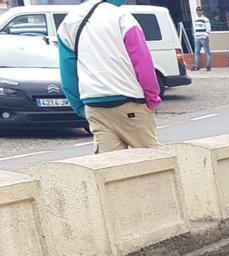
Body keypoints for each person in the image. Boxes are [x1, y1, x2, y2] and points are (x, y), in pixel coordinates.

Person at [57, 0, 161, 153]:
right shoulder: (121, 16)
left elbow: (68, 71)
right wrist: (152, 97)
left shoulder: (68, 23)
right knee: (154, 159)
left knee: (111, 168)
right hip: (130, 99)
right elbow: (142, 62)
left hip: (94, 106)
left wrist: (79, 107)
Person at [192, 5, 211, 72]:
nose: (199, 12)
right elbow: (194, 28)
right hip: (197, 38)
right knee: (197, 53)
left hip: (203, 38)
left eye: (200, 10)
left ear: (202, 11)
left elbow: (208, 28)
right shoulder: (195, 19)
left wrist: (205, 36)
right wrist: (194, 35)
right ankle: (197, 67)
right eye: (197, 10)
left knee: (207, 52)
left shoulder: (205, 19)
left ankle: (208, 66)